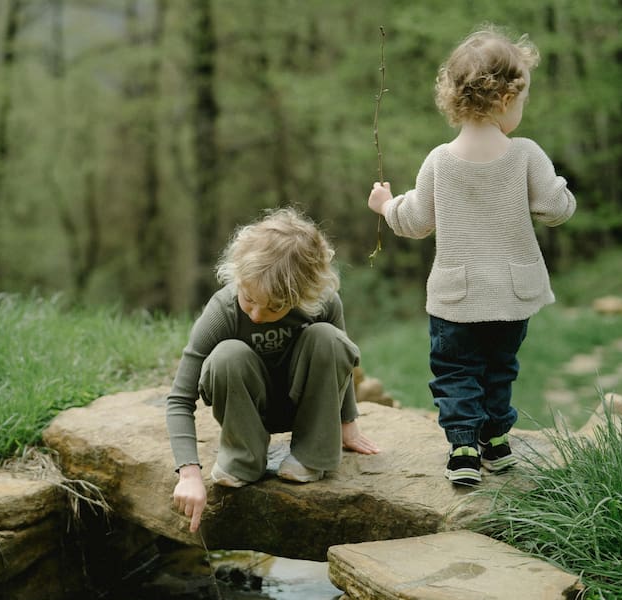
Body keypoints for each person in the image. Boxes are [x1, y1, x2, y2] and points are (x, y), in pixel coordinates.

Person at [367, 25, 575, 487]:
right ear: (505, 99)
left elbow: (416, 221)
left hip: (457, 296)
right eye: (522, 102)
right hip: (511, 294)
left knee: (456, 369)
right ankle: (496, 442)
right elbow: (555, 209)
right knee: (500, 367)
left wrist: (386, 205)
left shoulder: (440, 160)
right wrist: (557, 184)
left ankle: (463, 447)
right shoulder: (525, 154)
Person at [168, 207, 381, 533]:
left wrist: (347, 425)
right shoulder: (222, 310)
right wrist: (189, 473)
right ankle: (243, 459)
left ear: (304, 296)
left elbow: (341, 363)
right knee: (227, 355)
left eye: (274, 307)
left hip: (304, 406)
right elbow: (180, 398)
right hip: (248, 408)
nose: (255, 315)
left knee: (329, 338)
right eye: (249, 298)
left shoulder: (324, 303)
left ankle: (311, 457)